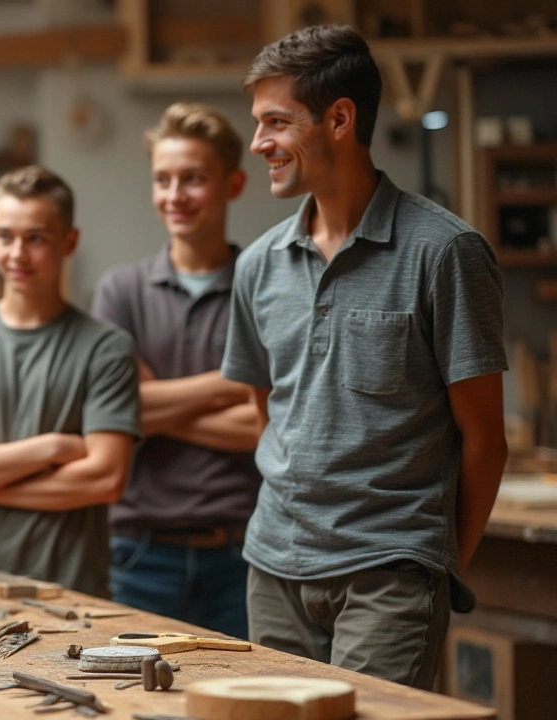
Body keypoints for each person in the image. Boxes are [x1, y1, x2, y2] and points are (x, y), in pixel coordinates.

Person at [222, 25, 508, 688]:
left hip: (389, 578)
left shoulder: (444, 254)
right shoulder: (259, 266)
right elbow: (268, 414)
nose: (259, 142)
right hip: (273, 569)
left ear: (341, 119)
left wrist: (436, 568)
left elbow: (486, 440)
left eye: (275, 122)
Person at [0, 165, 139, 597]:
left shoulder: (106, 348)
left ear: (69, 241)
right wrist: (52, 448)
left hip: (72, 590)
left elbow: (104, 478)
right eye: (6, 236)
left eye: (35, 238)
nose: (17, 254)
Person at [91, 102, 262, 639]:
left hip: (246, 552)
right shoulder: (120, 292)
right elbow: (113, 411)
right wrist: (233, 383)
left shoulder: (264, 287)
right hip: (141, 554)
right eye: (163, 179)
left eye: (194, 179)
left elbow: (268, 424)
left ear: (233, 183)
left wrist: (149, 407)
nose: (175, 196)